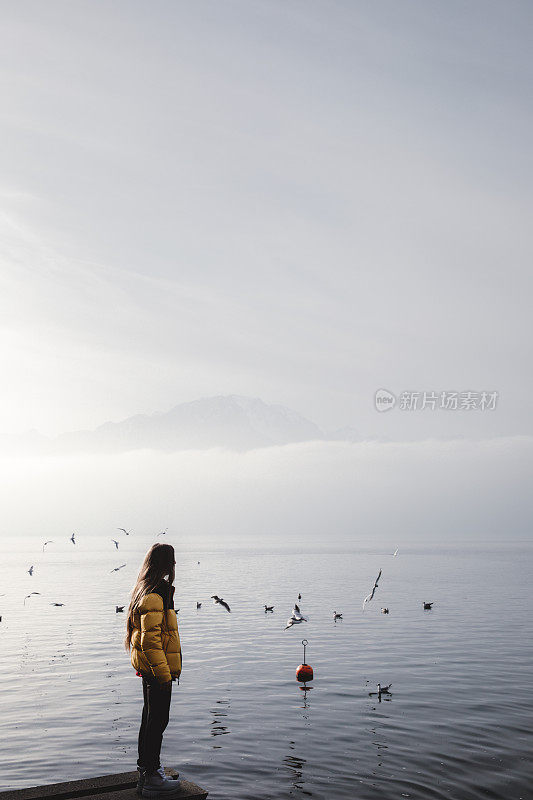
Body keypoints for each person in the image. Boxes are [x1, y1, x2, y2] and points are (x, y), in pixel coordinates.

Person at [125, 543, 182, 797]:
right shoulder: (156, 593)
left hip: (149, 667)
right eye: (173, 560)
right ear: (165, 563)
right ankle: (152, 778)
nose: (176, 565)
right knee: (157, 720)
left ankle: (146, 774)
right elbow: (151, 639)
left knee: (150, 720)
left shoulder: (145, 589)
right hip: (157, 669)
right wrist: (164, 674)